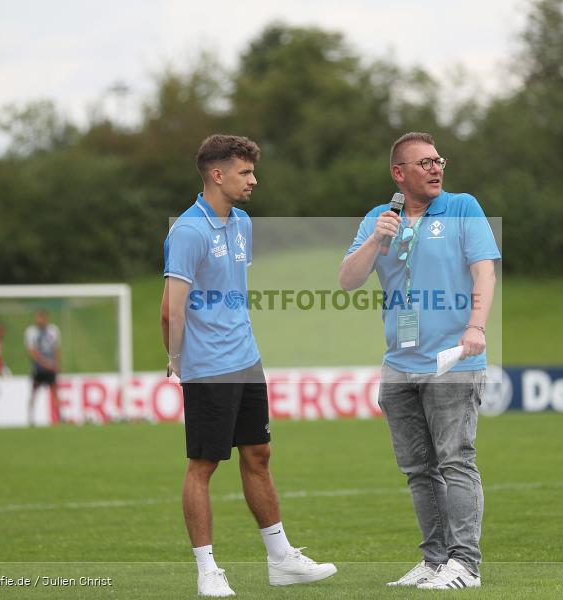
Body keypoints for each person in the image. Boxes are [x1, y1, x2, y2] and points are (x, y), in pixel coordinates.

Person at [161, 134, 337, 597]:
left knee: (258, 456)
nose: (254, 180)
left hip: (246, 359)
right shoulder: (186, 231)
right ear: (217, 175)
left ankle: (281, 560)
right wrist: (177, 359)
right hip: (208, 367)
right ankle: (207, 571)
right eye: (245, 172)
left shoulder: (242, 223)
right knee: (203, 465)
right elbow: (170, 310)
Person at [339, 132, 501, 590]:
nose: (435, 169)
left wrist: (476, 326)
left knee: (456, 460)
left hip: (453, 360)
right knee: (417, 469)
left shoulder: (463, 207)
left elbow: (484, 269)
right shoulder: (378, 217)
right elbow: (348, 280)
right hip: (399, 362)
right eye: (424, 162)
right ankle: (434, 560)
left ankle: (465, 564)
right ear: (398, 173)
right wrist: (375, 240)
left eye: (438, 160)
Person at [25, 309, 63, 425]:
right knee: (34, 392)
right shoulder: (31, 332)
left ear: (46, 318)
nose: (40, 320)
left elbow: (56, 348)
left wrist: (56, 364)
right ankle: (31, 419)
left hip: (51, 369)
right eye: (38, 318)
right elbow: (32, 351)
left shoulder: (53, 330)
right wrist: (46, 363)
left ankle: (59, 418)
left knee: (55, 391)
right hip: (39, 368)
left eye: (42, 318)